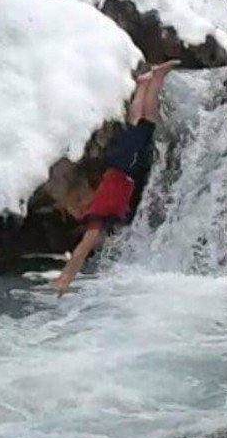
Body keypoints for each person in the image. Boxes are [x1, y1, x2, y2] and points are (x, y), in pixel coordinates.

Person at [52, 59, 180, 295]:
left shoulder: (99, 217)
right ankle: (150, 82)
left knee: (144, 124)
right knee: (138, 125)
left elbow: (80, 251)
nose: (98, 241)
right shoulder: (101, 214)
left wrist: (66, 280)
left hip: (123, 168)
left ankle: (154, 80)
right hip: (121, 167)